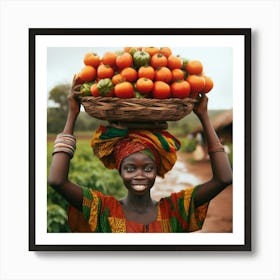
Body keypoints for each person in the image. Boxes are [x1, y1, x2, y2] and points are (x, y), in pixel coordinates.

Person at [48, 77, 232, 233]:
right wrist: (73, 113)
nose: (139, 175)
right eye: (130, 168)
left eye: (148, 168)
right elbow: (57, 181)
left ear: (156, 170)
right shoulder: (103, 210)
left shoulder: (175, 210)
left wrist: (203, 116)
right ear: (119, 170)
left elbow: (223, 179)